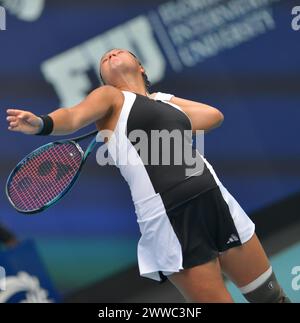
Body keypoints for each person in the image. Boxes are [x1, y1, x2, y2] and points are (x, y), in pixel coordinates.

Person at [6, 49, 291, 303]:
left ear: (141, 67)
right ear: (104, 81)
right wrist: (42, 124)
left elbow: (212, 116)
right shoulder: (110, 97)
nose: (110, 54)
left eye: (119, 52)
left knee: (270, 297)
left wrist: (160, 100)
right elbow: (71, 116)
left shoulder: (162, 102)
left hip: (217, 201)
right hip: (170, 220)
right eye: (104, 59)